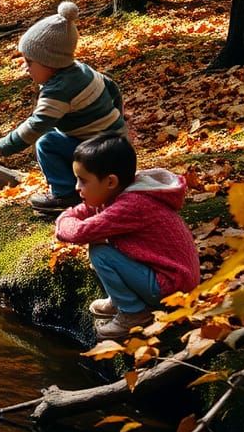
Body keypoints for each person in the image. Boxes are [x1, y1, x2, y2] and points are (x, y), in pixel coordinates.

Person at [0, 1, 128, 215]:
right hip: (117, 144)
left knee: (46, 142)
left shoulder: (59, 91)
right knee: (55, 132)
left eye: (29, 62)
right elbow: (112, 87)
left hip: (101, 154)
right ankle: (75, 180)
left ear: (50, 62)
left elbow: (36, 125)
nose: (26, 68)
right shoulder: (81, 70)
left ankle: (64, 195)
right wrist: (118, 120)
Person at [55, 134, 201, 341]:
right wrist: (70, 215)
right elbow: (88, 208)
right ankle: (119, 300)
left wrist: (63, 220)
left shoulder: (132, 205)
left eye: (83, 180)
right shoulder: (124, 191)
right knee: (105, 249)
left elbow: (80, 233)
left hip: (170, 286)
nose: (77, 187)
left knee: (101, 253)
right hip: (172, 278)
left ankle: (133, 313)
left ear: (110, 181)